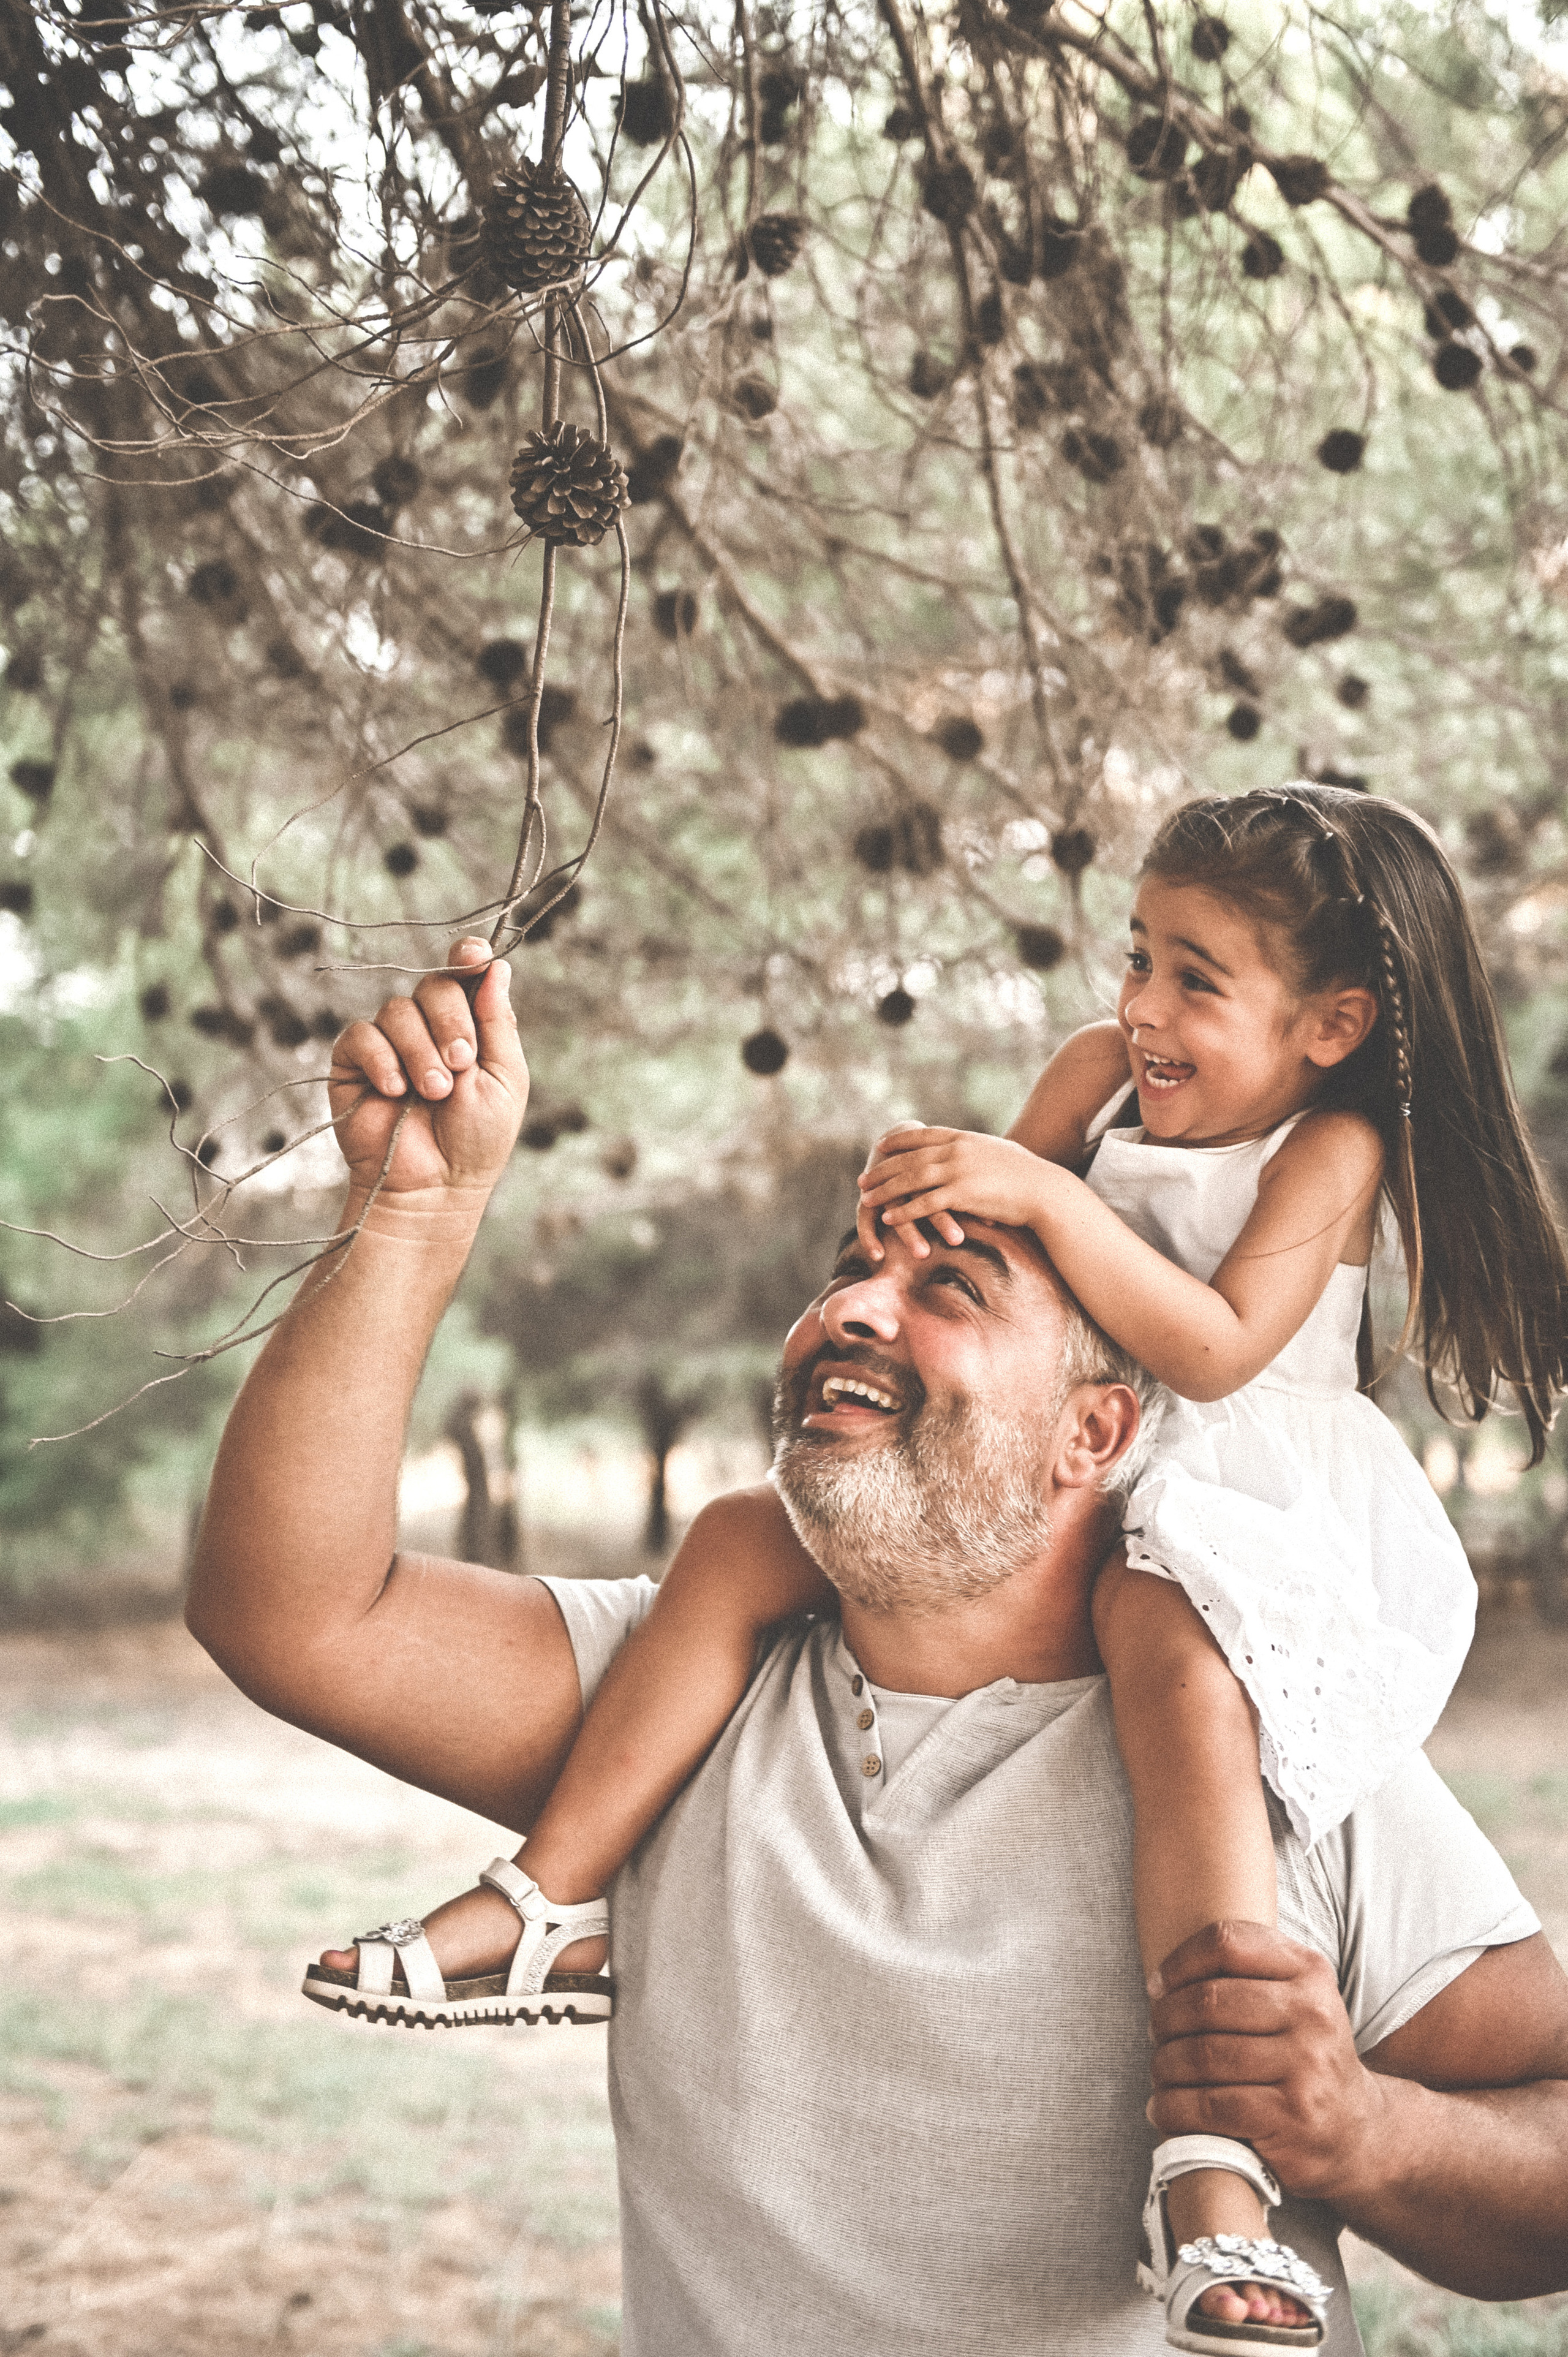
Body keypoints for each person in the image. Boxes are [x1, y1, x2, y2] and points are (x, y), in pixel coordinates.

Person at [301, 787, 1568, 2353]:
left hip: (1230, 1484)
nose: (1139, 1005)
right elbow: (294, 1611)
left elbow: (1217, 1346)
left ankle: (1211, 2173)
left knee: (1176, 1671)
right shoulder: (710, 1692)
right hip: (1124, 1451)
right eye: (1137, 958)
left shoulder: (1331, 1159)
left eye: (1194, 977)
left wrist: (1369, 2129)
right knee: (729, 1531)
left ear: (1332, 1022)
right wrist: (914, 1233)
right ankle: (550, 1896)